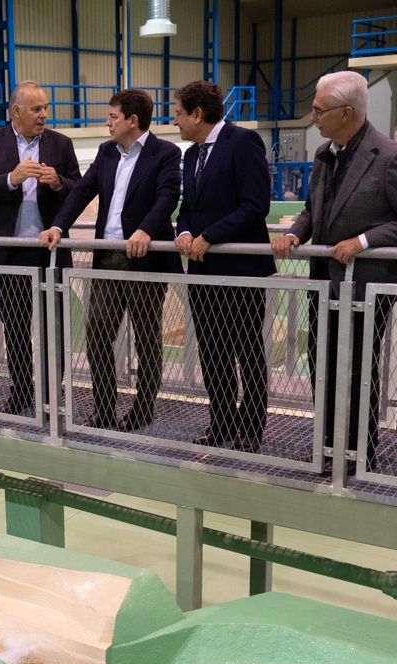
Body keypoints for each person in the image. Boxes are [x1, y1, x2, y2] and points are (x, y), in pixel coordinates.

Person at [273, 70, 397, 471]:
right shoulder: (325, 154)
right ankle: (327, 444)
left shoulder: (390, 157)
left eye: (318, 110)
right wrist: (295, 232)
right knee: (321, 362)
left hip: (366, 286)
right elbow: (314, 208)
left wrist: (363, 241)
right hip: (324, 281)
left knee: (357, 369)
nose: (313, 117)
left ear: (346, 113)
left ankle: (360, 451)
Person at [40, 89, 181, 432]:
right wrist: (59, 225)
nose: (107, 123)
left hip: (145, 259)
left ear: (133, 121)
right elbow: (83, 190)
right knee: (97, 334)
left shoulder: (165, 153)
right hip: (108, 259)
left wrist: (147, 230)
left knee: (147, 338)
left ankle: (142, 409)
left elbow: (167, 196)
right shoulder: (106, 152)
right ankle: (104, 408)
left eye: (112, 117)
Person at [172, 80, 275, 453]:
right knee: (212, 350)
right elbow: (189, 209)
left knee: (246, 351)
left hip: (241, 269)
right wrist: (183, 231)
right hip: (202, 269)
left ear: (198, 114)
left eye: (179, 113)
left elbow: (254, 205)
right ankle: (221, 424)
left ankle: (250, 429)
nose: (175, 120)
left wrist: (209, 236)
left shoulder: (243, 143)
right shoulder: (190, 156)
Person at [0, 81, 81, 416]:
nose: (43, 114)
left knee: (55, 325)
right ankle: (21, 389)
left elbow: (79, 189)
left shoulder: (61, 144)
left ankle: (52, 392)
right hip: (9, 251)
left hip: (49, 250)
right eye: (36, 109)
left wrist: (59, 182)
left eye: (45, 108)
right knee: (15, 326)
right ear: (16, 111)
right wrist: (11, 179)